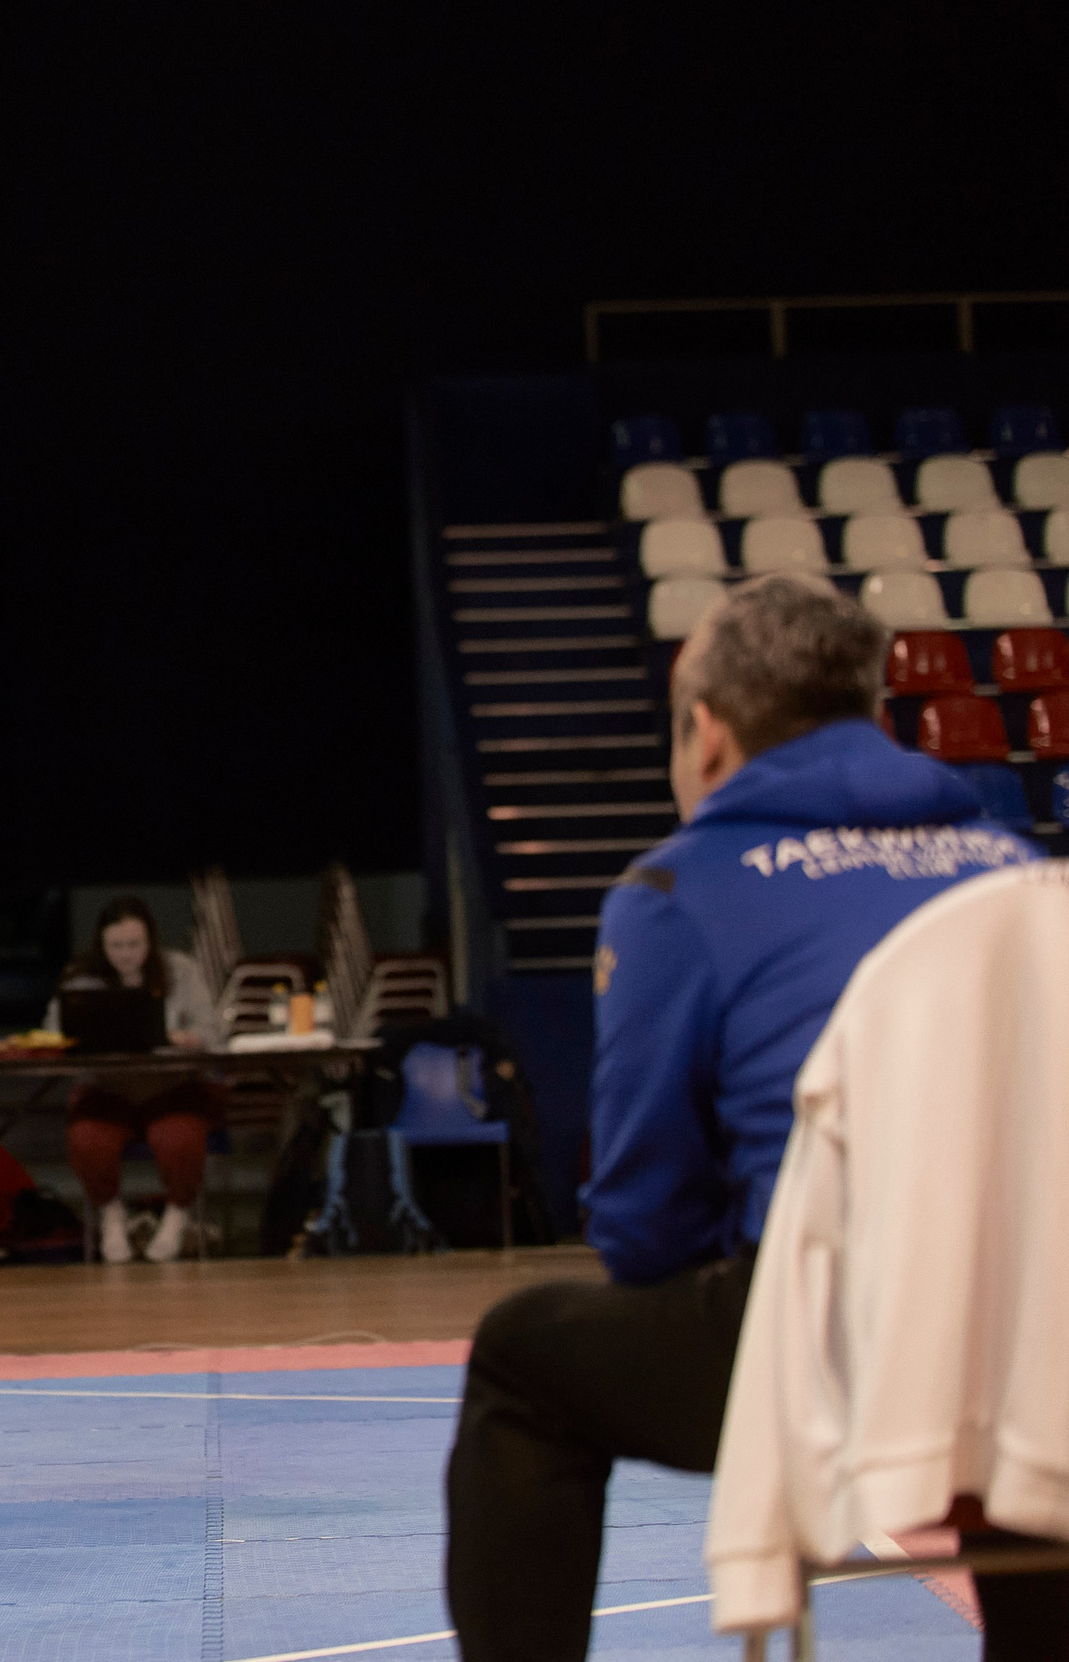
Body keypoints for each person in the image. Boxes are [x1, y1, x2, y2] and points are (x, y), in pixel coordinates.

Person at [442, 575, 1048, 1659]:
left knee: (521, 1360)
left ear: (706, 736)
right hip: (1044, 1350)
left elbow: (643, 1226)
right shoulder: (1018, 873)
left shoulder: (680, 888)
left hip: (842, 1348)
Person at [45, 896, 224, 1263]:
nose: (125, 954)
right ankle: (111, 1214)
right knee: (87, 1138)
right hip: (107, 1089)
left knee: (180, 1137)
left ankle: (177, 1216)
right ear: (101, 944)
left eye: (134, 944)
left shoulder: (181, 970)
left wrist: (190, 1039)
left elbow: (211, 1030)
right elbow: (53, 1033)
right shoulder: (81, 978)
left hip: (170, 1087)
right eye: (116, 946)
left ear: (150, 941)